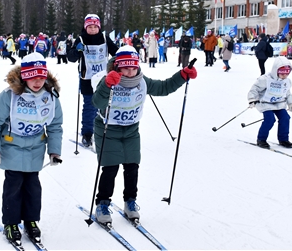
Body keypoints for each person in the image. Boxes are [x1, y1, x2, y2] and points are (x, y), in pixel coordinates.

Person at [92, 45, 197, 224]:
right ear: (117, 66)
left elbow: (164, 88)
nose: (130, 72)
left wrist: (182, 76)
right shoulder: (106, 79)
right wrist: (107, 84)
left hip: (132, 131)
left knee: (132, 167)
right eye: (125, 68)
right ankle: (102, 203)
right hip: (108, 131)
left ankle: (130, 202)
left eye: (133, 67)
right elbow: (97, 102)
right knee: (110, 169)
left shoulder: (142, 81)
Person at [0, 52, 63, 246]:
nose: (37, 81)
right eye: (32, 77)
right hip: (12, 145)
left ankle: (30, 220)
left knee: (33, 187)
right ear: (24, 77)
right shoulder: (8, 96)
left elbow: (54, 125)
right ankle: (11, 222)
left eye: (41, 77)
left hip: (35, 147)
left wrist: (54, 151)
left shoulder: (50, 97)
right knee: (14, 185)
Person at [67, 14, 118, 147]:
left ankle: (103, 131)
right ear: (85, 27)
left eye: (95, 26)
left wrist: (124, 57)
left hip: (103, 78)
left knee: (104, 105)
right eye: (90, 27)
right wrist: (77, 51)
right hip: (87, 78)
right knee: (89, 106)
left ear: (99, 27)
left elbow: (116, 52)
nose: (93, 29)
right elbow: (71, 58)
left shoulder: (104, 38)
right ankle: (87, 133)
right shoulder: (81, 39)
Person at [247, 56, 292, 149]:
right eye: (281, 73)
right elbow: (255, 89)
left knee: (285, 118)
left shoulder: (287, 81)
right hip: (265, 103)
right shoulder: (265, 79)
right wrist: (252, 99)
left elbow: (288, 93)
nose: (284, 76)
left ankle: (283, 139)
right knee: (270, 119)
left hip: (279, 103)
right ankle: (261, 139)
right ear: (276, 70)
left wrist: (290, 104)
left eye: (286, 74)